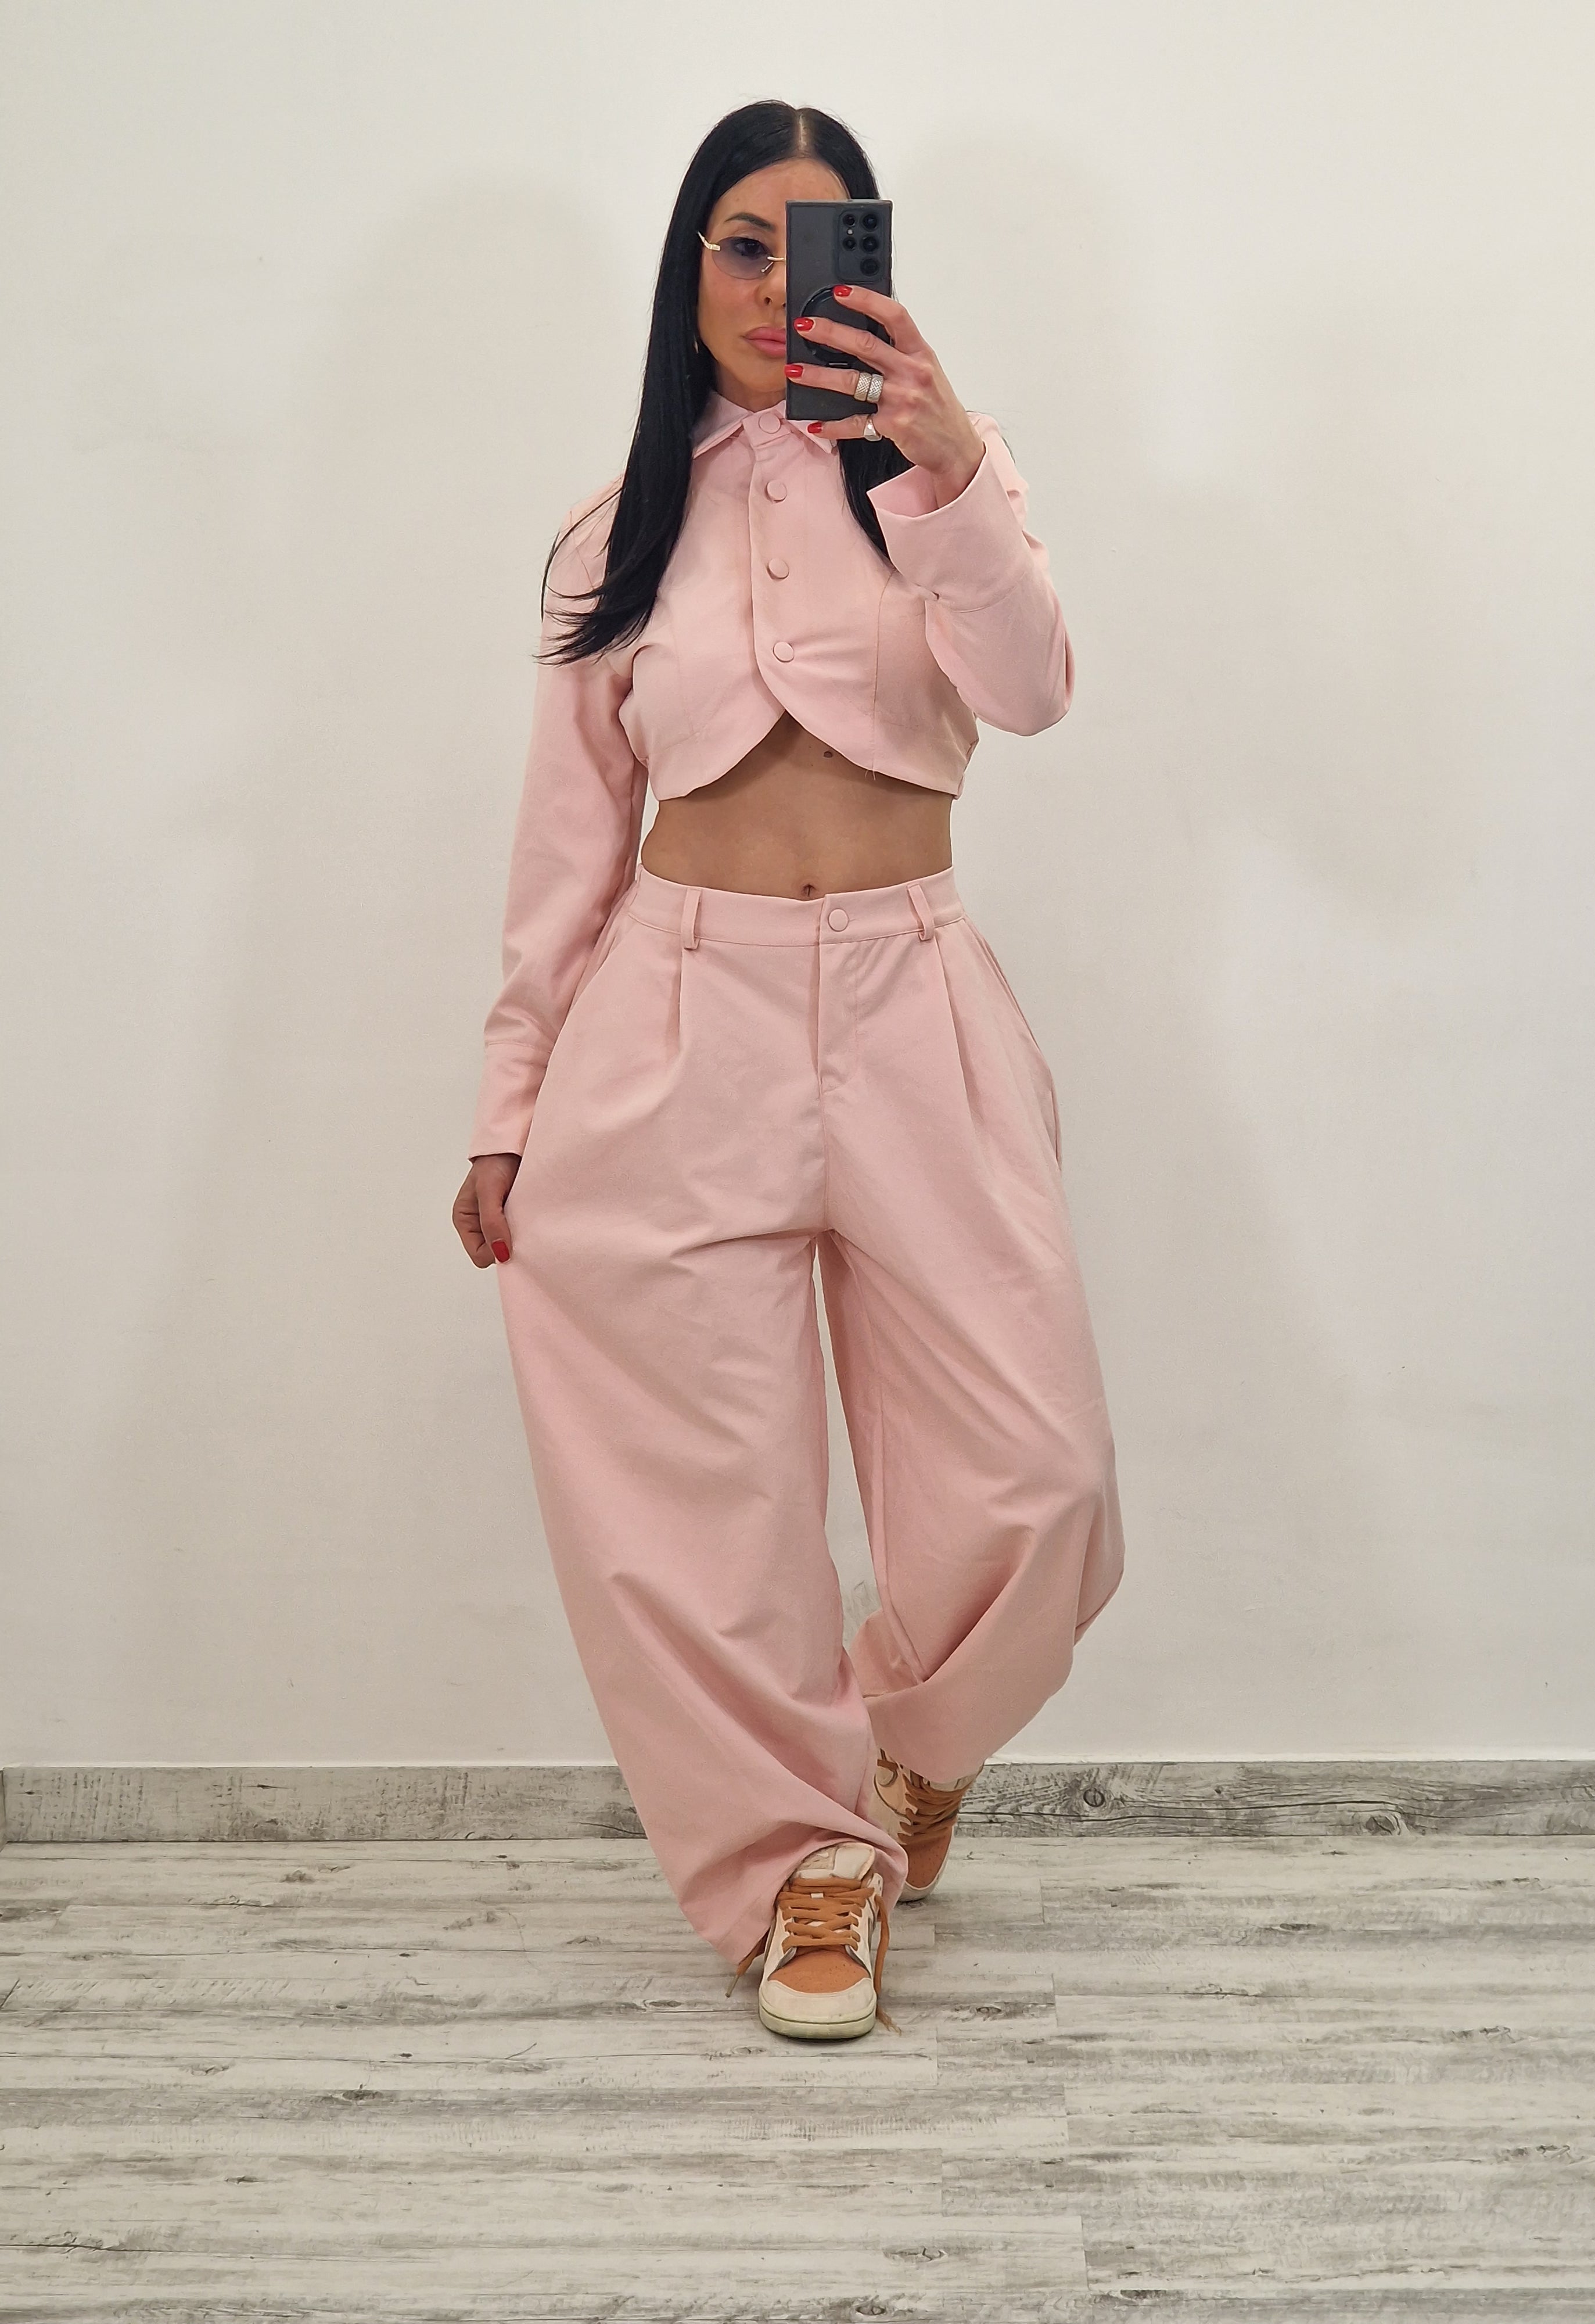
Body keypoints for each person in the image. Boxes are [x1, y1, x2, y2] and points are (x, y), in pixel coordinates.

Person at [452, 100, 1124, 2042]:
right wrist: (510, 1107)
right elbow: (565, 851)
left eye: (815, 247)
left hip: (919, 1001)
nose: (772, 285)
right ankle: (804, 1867)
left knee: (1040, 1475)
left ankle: (907, 1751)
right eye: (740, 244)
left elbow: (1033, 692)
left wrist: (950, 460)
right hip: (671, 1023)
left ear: (870, 271)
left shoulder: (939, 483)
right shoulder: (618, 532)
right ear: (690, 270)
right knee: (702, 1505)